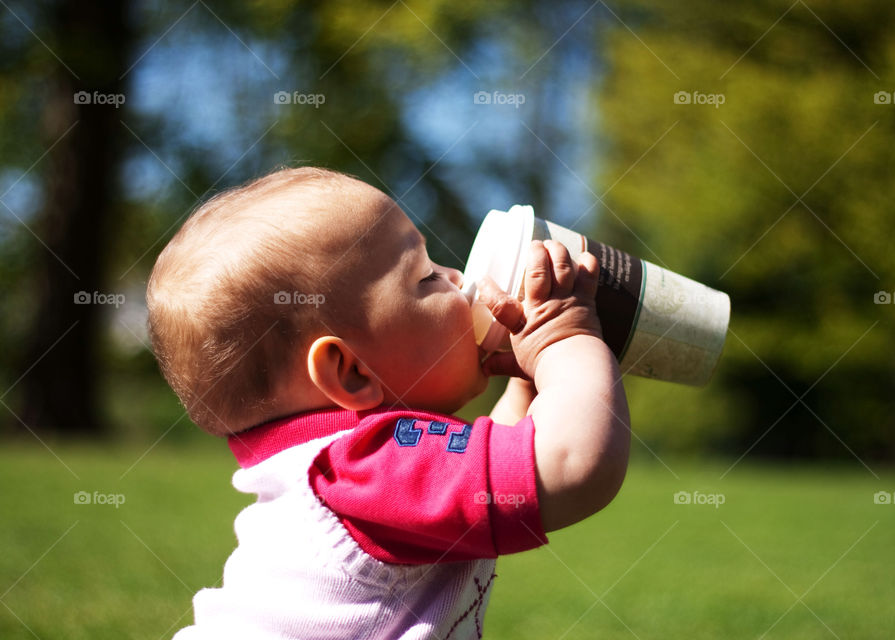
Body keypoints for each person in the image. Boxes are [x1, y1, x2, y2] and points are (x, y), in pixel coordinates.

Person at [146, 166, 630, 639]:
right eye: (426, 277)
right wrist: (564, 338)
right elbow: (570, 463)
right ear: (351, 371)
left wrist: (531, 384)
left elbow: (489, 467)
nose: (459, 276)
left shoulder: (351, 472)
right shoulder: (362, 470)